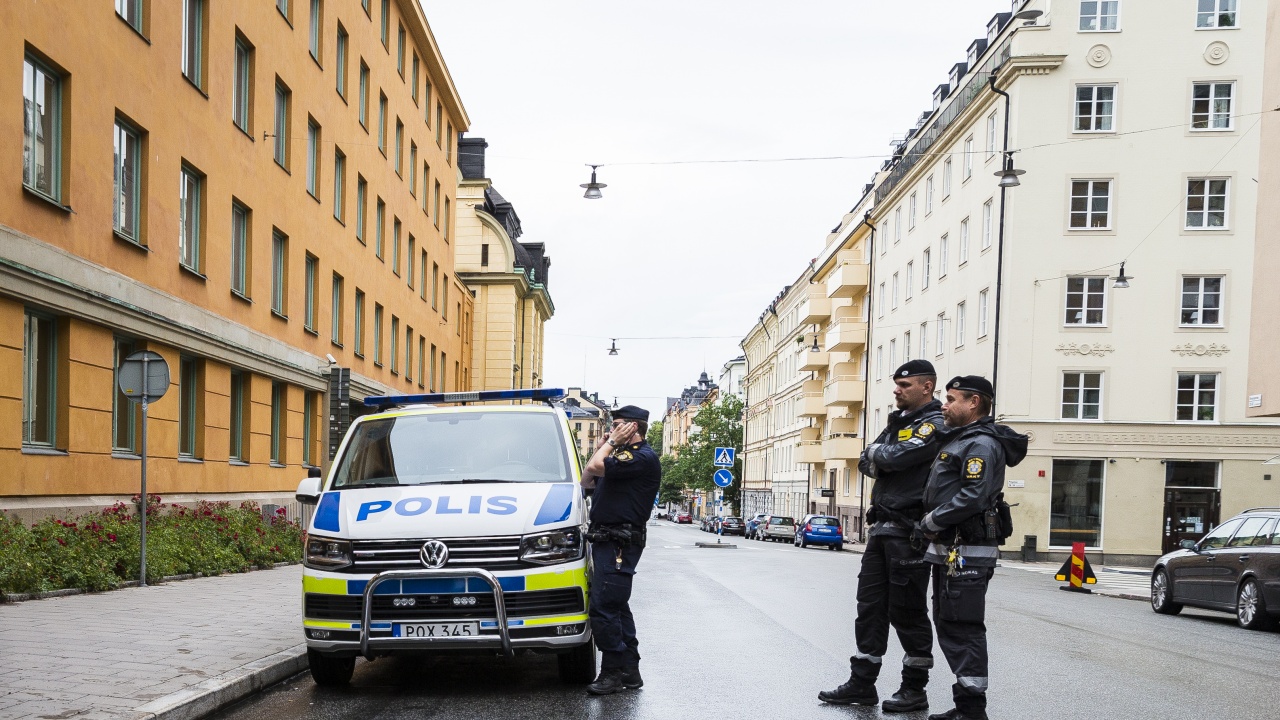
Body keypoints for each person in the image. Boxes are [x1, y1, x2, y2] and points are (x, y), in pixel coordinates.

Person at [820, 359, 944, 713]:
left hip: (910, 531)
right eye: (896, 385)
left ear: (926, 387)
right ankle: (862, 683)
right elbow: (868, 460)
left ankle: (914, 688)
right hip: (882, 529)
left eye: (904, 385)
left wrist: (883, 456)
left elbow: (897, 457)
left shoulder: (932, 424)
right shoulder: (898, 423)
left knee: (907, 610)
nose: (896, 390)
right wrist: (883, 456)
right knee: (870, 609)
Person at [914, 376, 1027, 720]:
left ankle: (972, 710)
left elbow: (973, 495)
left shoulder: (979, 444)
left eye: (950, 398)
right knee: (951, 623)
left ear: (974, 402)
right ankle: (967, 705)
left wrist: (932, 521)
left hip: (966, 551)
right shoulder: (964, 440)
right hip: (954, 550)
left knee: (962, 626)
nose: (943, 405)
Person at [580, 405, 661, 695]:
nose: (609, 431)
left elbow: (594, 468)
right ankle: (630, 670)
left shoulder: (641, 458)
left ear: (631, 428)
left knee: (603, 608)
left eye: (615, 426)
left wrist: (611, 445)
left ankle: (612, 673)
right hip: (607, 540)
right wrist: (606, 445)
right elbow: (586, 480)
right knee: (616, 606)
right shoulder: (619, 456)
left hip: (619, 542)